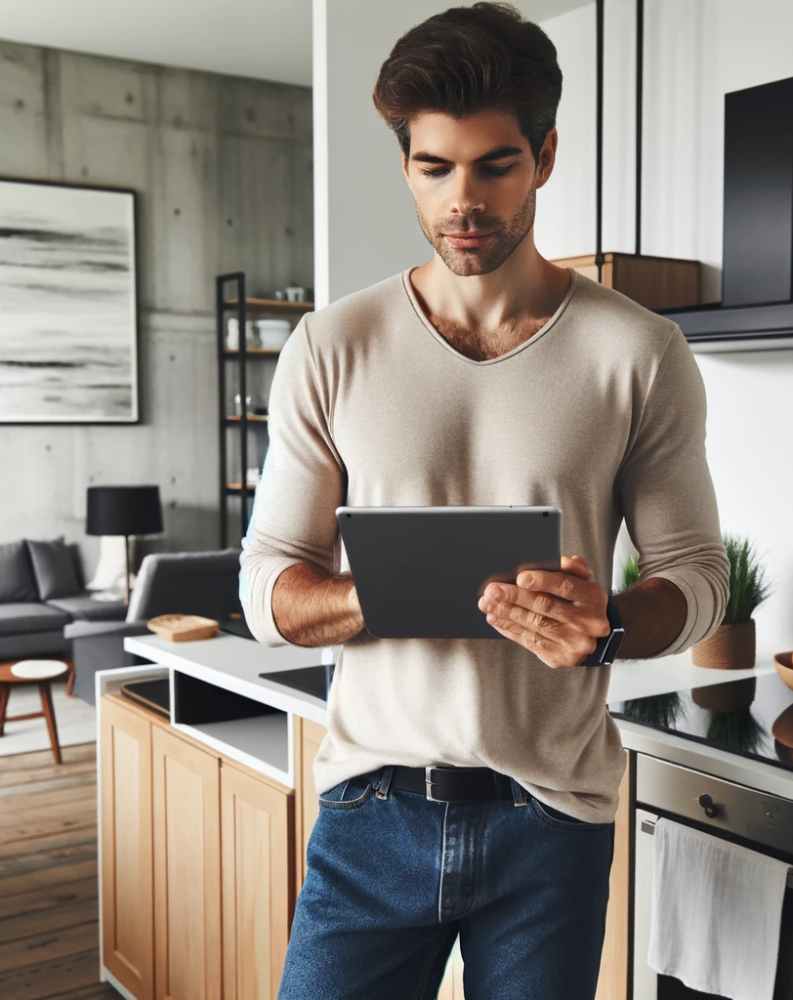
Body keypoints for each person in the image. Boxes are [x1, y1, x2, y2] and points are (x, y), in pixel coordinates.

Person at [239, 3, 729, 998]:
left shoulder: (638, 355)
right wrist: (383, 594)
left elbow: (697, 579)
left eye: (493, 165)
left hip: (551, 822)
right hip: (369, 815)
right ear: (408, 164)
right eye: (433, 167)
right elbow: (265, 589)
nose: (462, 200)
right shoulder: (332, 347)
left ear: (544, 156)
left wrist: (610, 626)